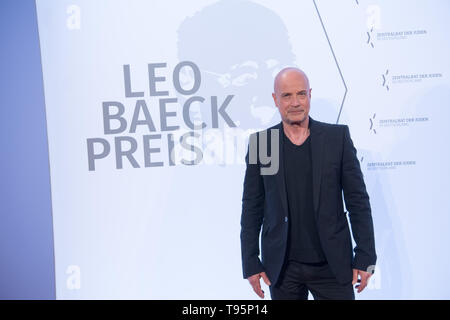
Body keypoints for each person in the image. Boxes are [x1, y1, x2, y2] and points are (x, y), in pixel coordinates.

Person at [240, 67, 377, 300]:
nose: (295, 102)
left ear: (310, 95)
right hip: (283, 268)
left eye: (301, 94)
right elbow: (252, 207)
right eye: (287, 95)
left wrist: (365, 257)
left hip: (332, 264)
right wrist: (251, 261)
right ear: (275, 99)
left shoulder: (336, 139)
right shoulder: (264, 144)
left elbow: (358, 201)